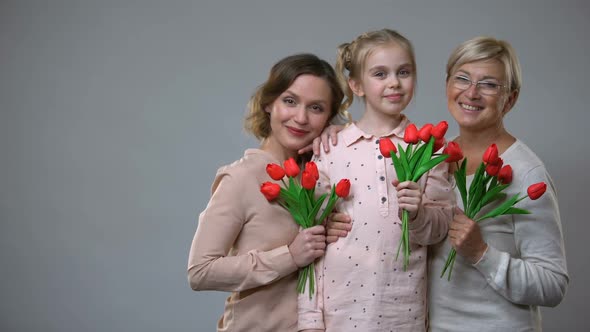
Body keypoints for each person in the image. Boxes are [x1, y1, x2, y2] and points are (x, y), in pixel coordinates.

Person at [323, 36, 569, 331]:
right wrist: (334, 135)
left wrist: (482, 253)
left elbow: (553, 285)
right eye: (462, 79)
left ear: (511, 99)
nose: (472, 92)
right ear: (447, 85)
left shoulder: (526, 172)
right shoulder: (430, 155)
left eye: (489, 84)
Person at [297, 28, 453, 332]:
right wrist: (309, 320)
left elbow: (438, 229)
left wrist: (419, 213)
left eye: (404, 72)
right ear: (356, 85)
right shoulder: (331, 148)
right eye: (380, 74)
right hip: (339, 315)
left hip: (402, 314)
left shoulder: (429, 149)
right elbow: (310, 237)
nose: (394, 82)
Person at [187, 53, 345, 332]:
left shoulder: (324, 175)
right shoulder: (241, 177)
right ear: (268, 103)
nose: (301, 117)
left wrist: (342, 139)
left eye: (316, 108)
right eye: (290, 101)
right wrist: (289, 256)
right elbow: (200, 271)